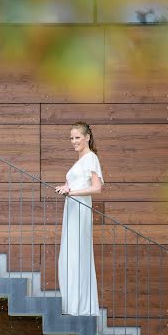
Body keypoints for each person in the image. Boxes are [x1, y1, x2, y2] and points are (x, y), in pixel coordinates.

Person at [55, 122, 104, 316]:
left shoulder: (91, 158)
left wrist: (72, 191)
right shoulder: (80, 161)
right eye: (72, 138)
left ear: (87, 138)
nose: (74, 141)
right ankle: (71, 303)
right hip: (72, 209)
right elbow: (73, 183)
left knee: (76, 254)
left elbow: (97, 188)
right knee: (69, 255)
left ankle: (80, 305)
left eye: (77, 137)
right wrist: (66, 188)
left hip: (80, 209)